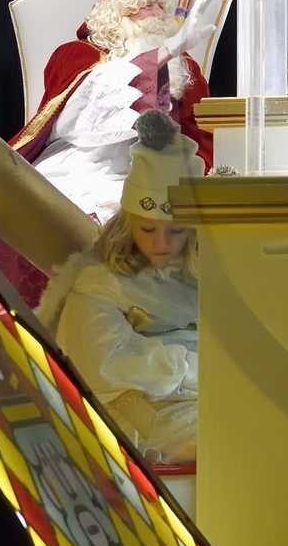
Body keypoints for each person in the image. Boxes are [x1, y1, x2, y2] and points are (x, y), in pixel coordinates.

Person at [0, 0, 218, 305]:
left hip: (151, 175)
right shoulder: (78, 55)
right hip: (79, 168)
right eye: (142, 8)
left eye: (159, 5)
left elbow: (201, 135)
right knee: (48, 221)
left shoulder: (183, 68)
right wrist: (165, 52)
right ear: (115, 19)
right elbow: (87, 118)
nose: (156, 14)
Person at [38, 110, 203, 464]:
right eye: (148, 229)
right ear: (128, 224)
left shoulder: (199, 274)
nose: (161, 244)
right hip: (137, 410)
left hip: (203, 395)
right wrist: (193, 367)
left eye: (175, 231)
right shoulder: (98, 283)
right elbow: (101, 368)